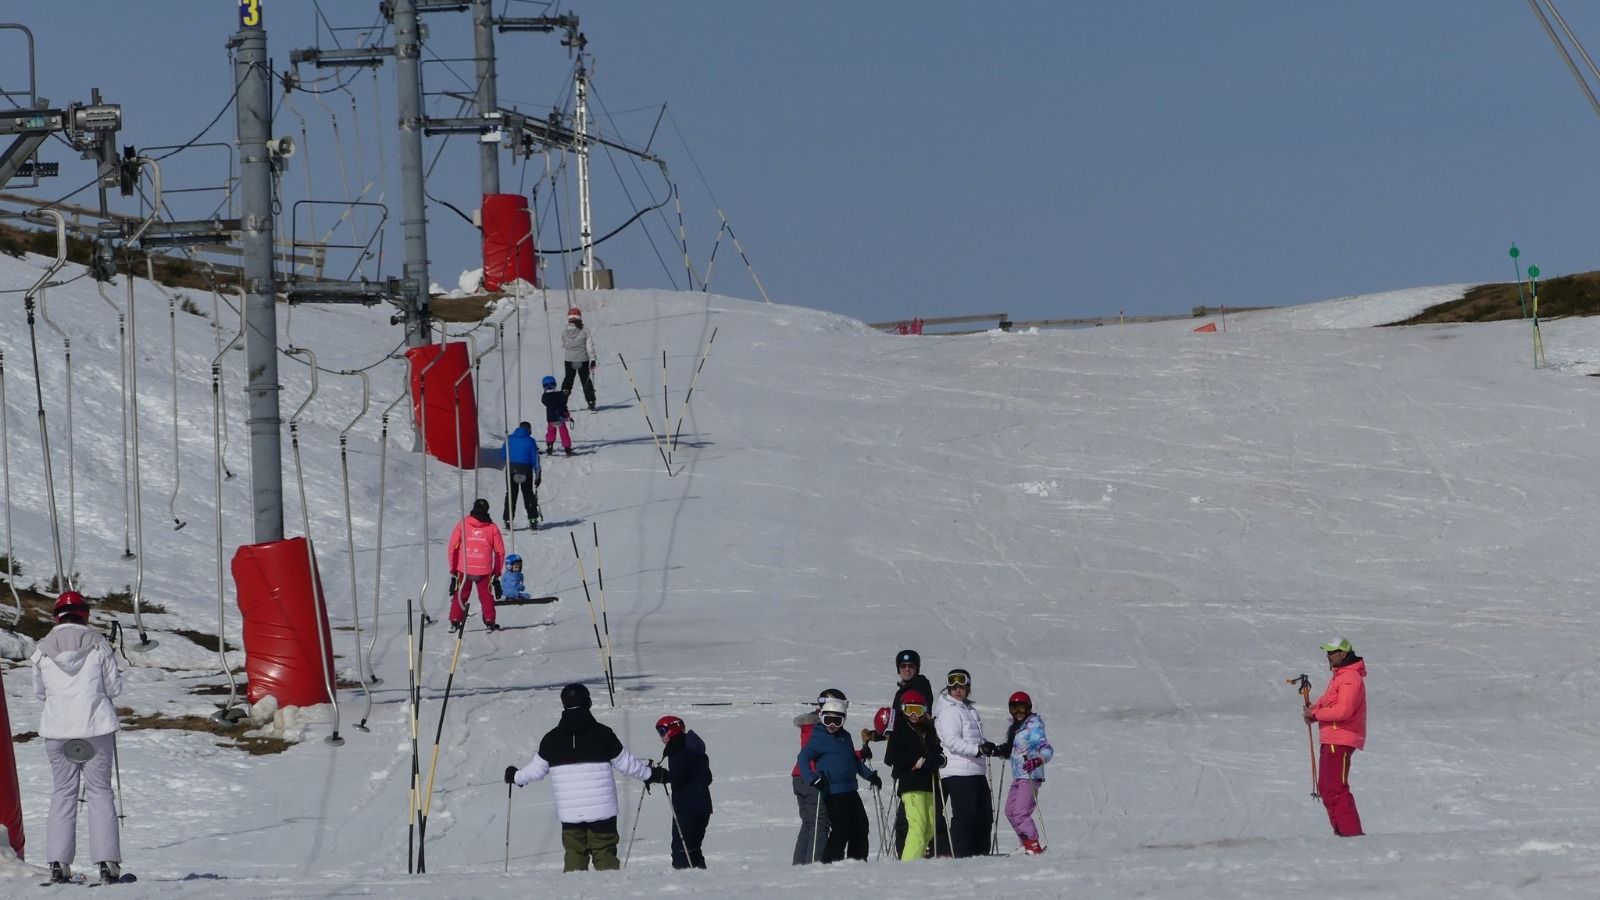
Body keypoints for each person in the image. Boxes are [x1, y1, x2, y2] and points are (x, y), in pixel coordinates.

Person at [507, 683, 665, 872]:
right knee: (605, 854)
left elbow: (535, 771)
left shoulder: (551, 739)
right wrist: (650, 774)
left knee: (575, 856)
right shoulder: (603, 734)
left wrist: (516, 777)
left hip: (571, 814)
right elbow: (626, 764)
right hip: (602, 812)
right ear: (588, 703)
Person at [30, 592, 124, 885]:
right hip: (95, 727)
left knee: (63, 792)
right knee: (99, 792)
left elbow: (39, 692)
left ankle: (58, 862)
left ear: (57, 616)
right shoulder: (99, 646)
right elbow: (114, 687)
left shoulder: (42, 650)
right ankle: (107, 863)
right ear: (85, 614)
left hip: (58, 731)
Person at [796, 695, 880, 862]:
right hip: (833, 792)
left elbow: (853, 760)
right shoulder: (819, 737)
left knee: (861, 826)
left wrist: (869, 775)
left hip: (851, 790)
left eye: (837, 721)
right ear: (822, 718)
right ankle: (831, 862)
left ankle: (857, 860)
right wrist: (812, 779)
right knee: (842, 829)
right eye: (828, 720)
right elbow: (803, 758)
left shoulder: (845, 737)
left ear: (844, 720)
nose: (832, 725)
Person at [1304, 637, 1366, 837]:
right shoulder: (1340, 677)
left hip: (1340, 740)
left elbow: (1343, 711)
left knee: (1334, 788)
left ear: (1344, 653)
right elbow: (1329, 701)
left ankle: (1351, 835)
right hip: (1332, 739)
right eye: (1327, 652)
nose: (1328, 656)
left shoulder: (1350, 678)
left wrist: (1315, 714)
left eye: (1332, 652)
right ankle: (1343, 833)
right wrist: (1315, 709)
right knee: (1327, 788)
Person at [935, 668, 999, 857]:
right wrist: (977, 750)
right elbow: (951, 741)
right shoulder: (948, 712)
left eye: (961, 686)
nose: (957, 690)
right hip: (958, 772)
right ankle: (961, 855)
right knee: (966, 815)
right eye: (952, 686)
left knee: (984, 816)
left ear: (968, 687)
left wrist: (987, 745)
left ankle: (980, 854)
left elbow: (974, 737)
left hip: (975, 770)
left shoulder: (969, 710)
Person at [884, 689, 944, 861]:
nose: (913, 714)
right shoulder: (900, 729)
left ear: (924, 711)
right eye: (908, 709)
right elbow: (892, 758)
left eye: (917, 710)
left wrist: (938, 758)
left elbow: (937, 752)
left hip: (928, 785)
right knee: (918, 826)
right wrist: (917, 761)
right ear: (903, 709)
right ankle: (908, 866)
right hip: (911, 786)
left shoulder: (929, 730)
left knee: (930, 827)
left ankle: (916, 862)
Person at [655, 714, 713, 869]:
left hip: (687, 809)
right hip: (703, 808)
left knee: (681, 851)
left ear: (673, 730)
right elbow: (708, 777)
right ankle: (701, 878)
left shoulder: (678, 749)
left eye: (662, 732)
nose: (661, 738)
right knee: (694, 849)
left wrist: (659, 775)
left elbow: (678, 777)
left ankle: (685, 884)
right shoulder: (694, 747)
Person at [1001, 690, 1052, 855]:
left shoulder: (1033, 725)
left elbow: (1046, 749)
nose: (1018, 712)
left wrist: (1037, 760)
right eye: (1014, 709)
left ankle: (1033, 844)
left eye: (1021, 708)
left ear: (1028, 708)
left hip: (1030, 776)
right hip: (1018, 776)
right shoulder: (1015, 728)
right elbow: (1013, 751)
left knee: (1021, 812)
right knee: (1010, 812)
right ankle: (1026, 843)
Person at [447, 498, 507, 633]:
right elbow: (499, 551)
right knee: (486, 596)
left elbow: (453, 548)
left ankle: (455, 620)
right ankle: (490, 620)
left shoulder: (463, 524)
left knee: (461, 593)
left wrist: (453, 569)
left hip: (465, 568)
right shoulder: (492, 528)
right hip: (484, 570)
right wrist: (497, 572)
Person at [499, 421, 541, 530]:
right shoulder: (531, 441)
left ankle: (508, 520)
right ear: (529, 430)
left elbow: (503, 455)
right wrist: (538, 474)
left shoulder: (509, 439)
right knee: (528, 494)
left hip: (512, 469)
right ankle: (533, 519)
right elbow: (535, 459)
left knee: (511, 494)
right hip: (526, 470)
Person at [560, 307, 598, 412]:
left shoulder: (565, 332)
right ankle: (591, 402)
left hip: (569, 360)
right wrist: (593, 359)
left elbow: (564, 344)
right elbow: (589, 346)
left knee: (568, 381)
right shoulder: (585, 331)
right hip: (582, 359)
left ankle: (562, 403)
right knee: (585, 380)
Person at [540, 375, 575, 456]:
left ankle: (550, 445)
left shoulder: (545, 397)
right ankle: (567, 448)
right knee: (564, 433)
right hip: (561, 418)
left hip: (551, 419)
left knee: (551, 432)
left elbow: (544, 402)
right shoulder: (560, 394)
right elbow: (565, 400)